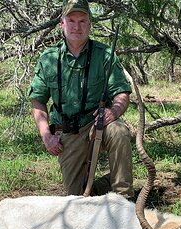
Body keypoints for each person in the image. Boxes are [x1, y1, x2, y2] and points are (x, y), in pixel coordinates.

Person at [28, 0, 133, 197]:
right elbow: (38, 100)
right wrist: (46, 135)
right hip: (68, 131)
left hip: (98, 124)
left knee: (118, 130)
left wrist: (114, 111)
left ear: (90, 24)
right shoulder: (48, 58)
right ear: (62, 23)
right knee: (75, 197)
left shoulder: (105, 55)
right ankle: (104, 183)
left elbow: (121, 92)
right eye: (72, 20)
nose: (77, 26)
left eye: (83, 21)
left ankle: (124, 197)